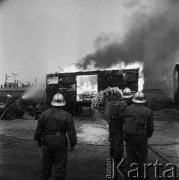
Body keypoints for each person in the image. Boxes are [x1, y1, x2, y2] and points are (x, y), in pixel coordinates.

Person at [34, 93, 77, 180]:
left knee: (46, 165)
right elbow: (71, 132)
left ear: (52, 102)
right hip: (61, 141)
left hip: (47, 141)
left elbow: (39, 131)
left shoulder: (44, 114)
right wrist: (73, 144)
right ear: (63, 103)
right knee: (60, 167)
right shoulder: (67, 115)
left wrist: (38, 141)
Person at [124, 91, 154, 179]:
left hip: (129, 136)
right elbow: (150, 127)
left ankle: (132, 175)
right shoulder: (148, 111)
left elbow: (123, 122)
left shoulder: (127, 109)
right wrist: (147, 136)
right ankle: (142, 175)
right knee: (142, 156)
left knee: (131, 156)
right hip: (141, 136)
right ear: (143, 100)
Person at [109, 88, 133, 179]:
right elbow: (123, 117)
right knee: (118, 147)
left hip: (112, 126)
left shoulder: (119, 102)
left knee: (113, 145)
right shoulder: (125, 104)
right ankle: (117, 164)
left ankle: (112, 163)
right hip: (118, 127)